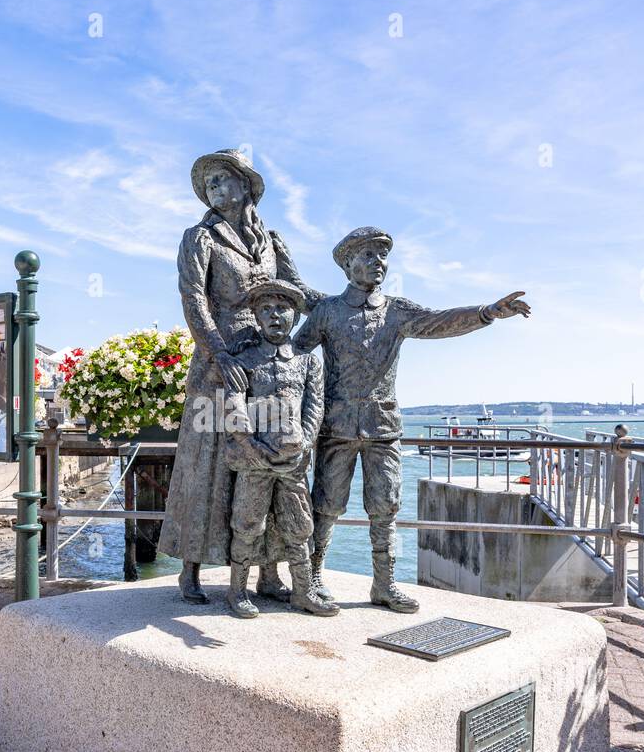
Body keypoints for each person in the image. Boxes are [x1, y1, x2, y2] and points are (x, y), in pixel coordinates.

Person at [294, 226, 532, 613]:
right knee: (326, 504)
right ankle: (312, 577)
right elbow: (294, 355)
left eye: (382, 256)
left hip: (383, 427)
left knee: (385, 506)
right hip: (335, 426)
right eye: (368, 255)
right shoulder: (327, 312)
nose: (378, 263)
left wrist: (487, 312)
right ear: (348, 263)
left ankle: (384, 585)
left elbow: (439, 322)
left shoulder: (396, 311)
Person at [159, 149, 323, 604]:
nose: (213, 188)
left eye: (221, 179)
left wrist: (342, 305)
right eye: (208, 183)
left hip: (267, 364)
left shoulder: (271, 240)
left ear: (246, 185)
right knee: (204, 466)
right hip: (220, 364)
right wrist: (217, 353)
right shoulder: (200, 238)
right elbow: (193, 299)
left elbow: (298, 293)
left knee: (265, 459)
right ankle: (190, 568)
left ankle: (266, 573)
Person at [222, 278, 335, 618]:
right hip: (253, 459)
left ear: (295, 317)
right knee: (247, 524)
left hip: (293, 460)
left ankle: (302, 590)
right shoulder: (242, 359)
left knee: (299, 526)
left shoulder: (307, 361)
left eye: (283, 309)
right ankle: (237, 590)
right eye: (266, 309)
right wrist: (250, 445)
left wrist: (305, 444)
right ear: (256, 315)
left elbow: (315, 407)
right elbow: (232, 405)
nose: (275, 316)